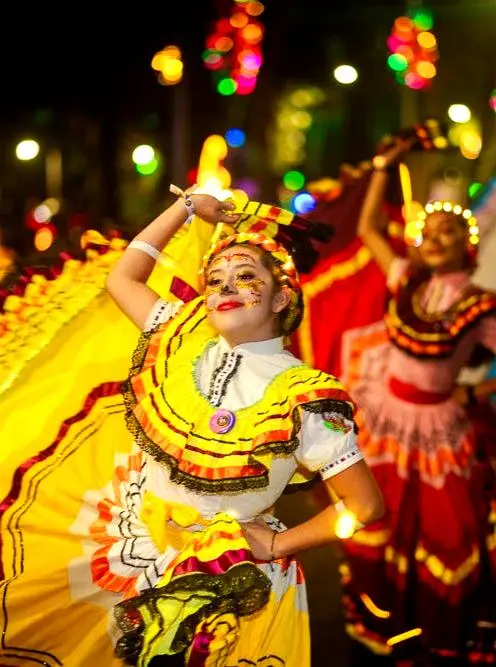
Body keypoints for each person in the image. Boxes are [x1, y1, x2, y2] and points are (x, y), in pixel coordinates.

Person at [0, 188, 384, 667]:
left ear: (281, 296)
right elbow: (124, 277)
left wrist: (278, 543)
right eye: (216, 279)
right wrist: (184, 210)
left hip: (233, 582)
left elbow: (364, 505)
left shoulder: (306, 393)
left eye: (245, 277)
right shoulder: (179, 340)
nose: (225, 288)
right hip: (133, 549)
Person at [338, 139, 496, 665]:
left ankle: (439, 633)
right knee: (378, 523)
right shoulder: (406, 280)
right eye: (427, 232)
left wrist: (475, 389)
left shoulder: (479, 303)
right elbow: (366, 231)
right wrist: (383, 167)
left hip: (439, 430)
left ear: (466, 244)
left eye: (446, 230)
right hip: (384, 419)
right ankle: (386, 623)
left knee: (446, 532)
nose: (433, 238)